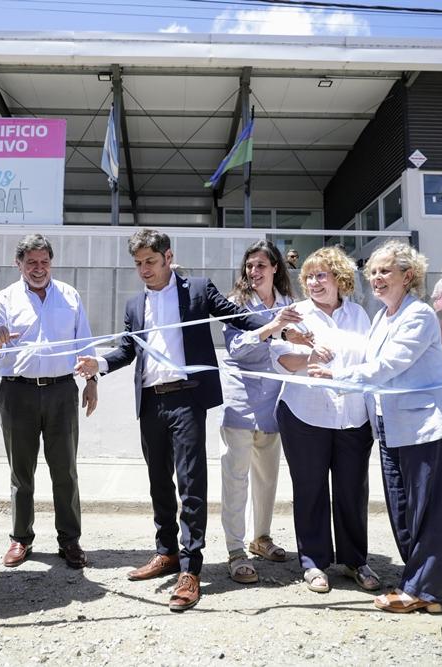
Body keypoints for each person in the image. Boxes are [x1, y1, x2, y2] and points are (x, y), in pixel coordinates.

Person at [74, 228, 298, 611]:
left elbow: (237, 316)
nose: (144, 269)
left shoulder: (196, 289)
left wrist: (274, 325)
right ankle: (167, 553)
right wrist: (101, 363)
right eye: (138, 263)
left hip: (187, 401)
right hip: (151, 403)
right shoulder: (133, 305)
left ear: (168, 257)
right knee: (158, 483)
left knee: (191, 484)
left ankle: (191, 567)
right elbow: (128, 348)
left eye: (151, 261)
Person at [309, 240, 442, 614]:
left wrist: (337, 375)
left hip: (425, 427)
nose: (377, 278)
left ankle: (423, 591)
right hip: (390, 429)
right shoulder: (382, 316)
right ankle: (422, 583)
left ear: (407, 275)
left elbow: (388, 366)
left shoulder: (419, 315)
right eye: (373, 272)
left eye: (385, 271)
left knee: (425, 512)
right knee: (402, 511)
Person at [270, 247, 378, 595]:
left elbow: (371, 361)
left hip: (352, 416)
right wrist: (310, 357)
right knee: (310, 490)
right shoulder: (296, 314)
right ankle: (313, 563)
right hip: (305, 414)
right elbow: (281, 358)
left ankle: (354, 560)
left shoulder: (360, 315)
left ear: (340, 278)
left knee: (352, 489)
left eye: (322, 275)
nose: (314, 282)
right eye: (309, 276)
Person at [0, 234, 97, 570]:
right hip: (17, 393)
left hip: (62, 391)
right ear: (18, 264)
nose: (39, 269)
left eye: (44, 262)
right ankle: (21, 538)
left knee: (65, 470)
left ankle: (70, 540)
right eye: (31, 262)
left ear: (51, 262)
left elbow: (85, 342)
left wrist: (91, 381)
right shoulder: (3, 300)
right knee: (21, 472)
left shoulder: (69, 296)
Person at [219, 241, 295, 584]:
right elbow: (237, 348)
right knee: (235, 479)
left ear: (275, 268)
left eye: (261, 265)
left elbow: (296, 343)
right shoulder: (235, 304)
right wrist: (270, 328)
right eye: (249, 266)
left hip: (273, 405)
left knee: (267, 478)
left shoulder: (289, 305)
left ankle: (260, 537)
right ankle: (235, 550)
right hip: (240, 403)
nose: (254, 271)